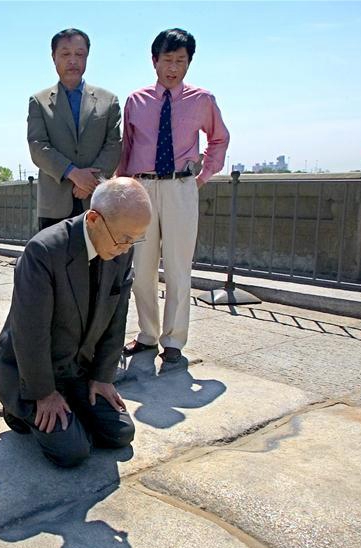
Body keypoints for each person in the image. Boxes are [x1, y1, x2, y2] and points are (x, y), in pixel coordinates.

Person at [0, 177, 152, 467]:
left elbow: (117, 319)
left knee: (119, 434)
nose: (128, 248)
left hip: (78, 370)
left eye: (135, 239)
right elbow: (30, 333)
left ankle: (73, 410)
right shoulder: (43, 252)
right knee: (72, 451)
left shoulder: (119, 251)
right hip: (34, 373)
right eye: (124, 238)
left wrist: (103, 377)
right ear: (93, 219)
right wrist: (43, 394)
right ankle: (19, 411)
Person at [117, 28, 230, 363]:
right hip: (142, 188)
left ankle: (175, 342)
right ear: (154, 61)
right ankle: (148, 335)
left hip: (181, 187)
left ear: (189, 62)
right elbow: (127, 149)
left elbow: (219, 139)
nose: (173, 67)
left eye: (181, 60)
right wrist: (120, 190)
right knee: (143, 267)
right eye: (167, 60)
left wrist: (204, 174)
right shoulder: (136, 101)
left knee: (180, 268)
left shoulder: (202, 100)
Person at [28, 28, 122, 232]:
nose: (73, 60)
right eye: (65, 54)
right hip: (54, 206)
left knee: (99, 263)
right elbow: (37, 146)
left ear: (87, 57)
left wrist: (90, 181)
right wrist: (72, 173)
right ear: (54, 58)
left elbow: (114, 145)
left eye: (79, 54)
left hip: (98, 203)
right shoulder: (39, 101)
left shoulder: (109, 100)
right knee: (55, 263)